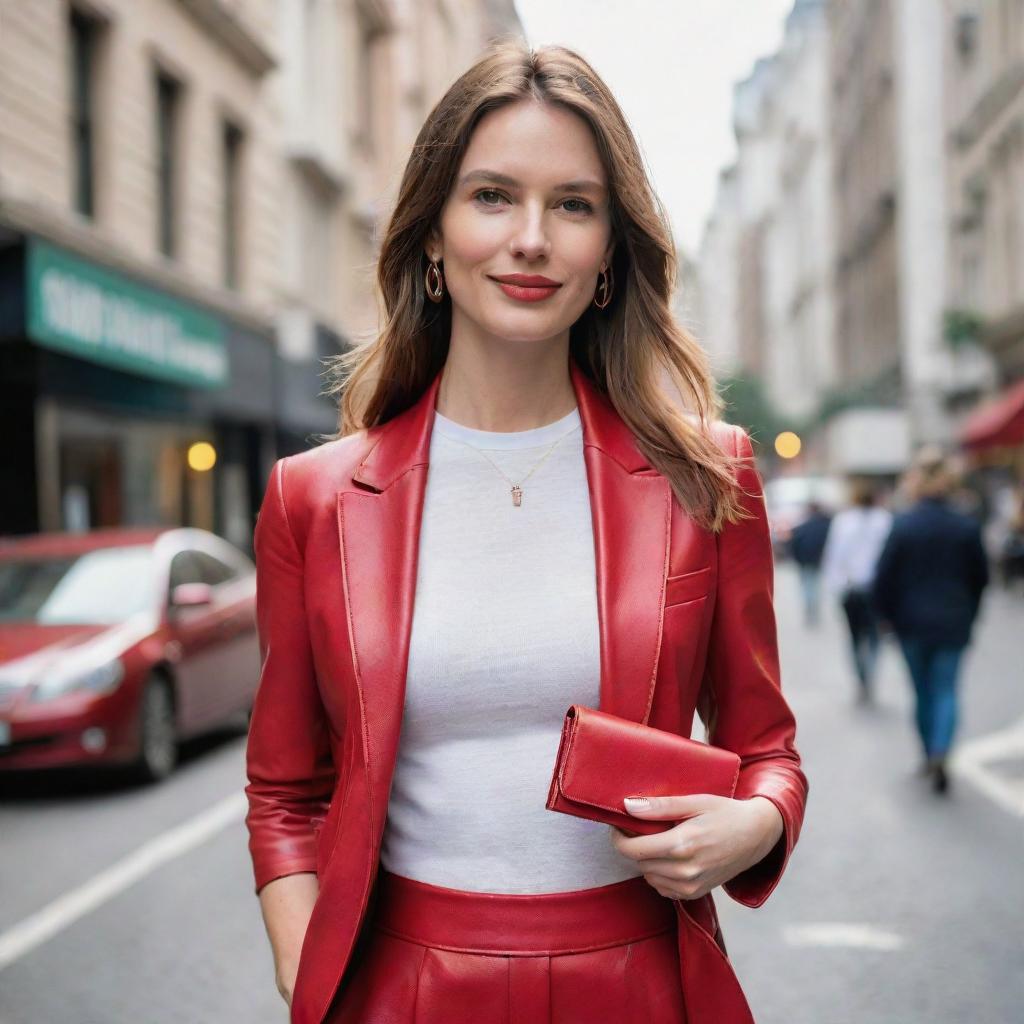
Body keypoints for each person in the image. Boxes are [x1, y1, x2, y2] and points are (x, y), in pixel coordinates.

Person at [244, 42, 808, 1024]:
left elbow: (768, 747)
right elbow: (285, 790)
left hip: (639, 981)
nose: (531, 238)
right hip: (402, 989)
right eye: (493, 196)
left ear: (605, 258)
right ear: (432, 236)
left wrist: (755, 821)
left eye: (574, 205)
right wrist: (311, 973)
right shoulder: (314, 497)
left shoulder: (703, 476)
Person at [872, 447, 990, 794]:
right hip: (954, 620)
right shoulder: (966, 525)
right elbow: (980, 578)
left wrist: (884, 616)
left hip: (910, 623)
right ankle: (941, 750)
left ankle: (928, 754)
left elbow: (884, 577)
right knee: (946, 689)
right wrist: (971, 612)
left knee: (922, 692)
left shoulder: (903, 524)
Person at [820, 479, 892, 701]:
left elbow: (834, 555)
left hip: (852, 587)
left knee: (854, 637)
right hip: (876, 588)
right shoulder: (885, 520)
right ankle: (868, 672)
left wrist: (836, 584)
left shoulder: (844, 521)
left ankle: (862, 675)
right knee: (873, 636)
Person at [788, 500, 832, 627]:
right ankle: (814, 609)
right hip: (818, 560)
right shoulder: (826, 525)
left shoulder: (804, 525)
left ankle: (810, 609)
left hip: (805, 560)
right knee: (815, 586)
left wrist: (797, 558)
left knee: (807, 586)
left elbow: (794, 542)